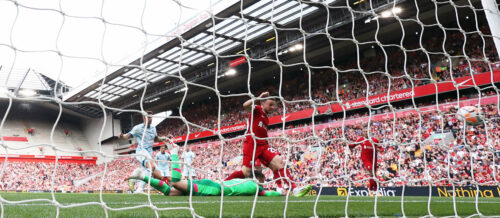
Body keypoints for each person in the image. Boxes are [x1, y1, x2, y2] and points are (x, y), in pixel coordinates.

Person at [127, 144, 312, 197]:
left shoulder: (246, 182)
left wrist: (278, 191)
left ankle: (142, 176)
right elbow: (268, 193)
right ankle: (175, 153)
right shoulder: (255, 187)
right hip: (212, 189)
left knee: (170, 192)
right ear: (260, 180)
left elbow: (268, 192)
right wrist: (280, 191)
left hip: (214, 185)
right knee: (175, 183)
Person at [225, 91, 300, 192]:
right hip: (251, 143)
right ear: (263, 103)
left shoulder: (267, 119)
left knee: (279, 162)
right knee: (246, 172)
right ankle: (224, 184)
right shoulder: (257, 109)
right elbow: (245, 105)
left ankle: (292, 188)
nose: (273, 107)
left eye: (274, 105)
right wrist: (259, 97)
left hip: (263, 145)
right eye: (270, 104)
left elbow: (263, 134)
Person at [119, 111, 167, 194]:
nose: (150, 119)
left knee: (159, 175)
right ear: (144, 118)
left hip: (149, 153)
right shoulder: (138, 128)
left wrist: (163, 139)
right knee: (151, 167)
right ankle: (140, 189)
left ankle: (133, 180)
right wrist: (122, 136)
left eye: (151, 117)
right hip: (141, 152)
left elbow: (155, 138)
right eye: (148, 117)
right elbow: (128, 136)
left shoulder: (153, 128)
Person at [349, 130, 383, 196]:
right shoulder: (361, 139)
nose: (365, 133)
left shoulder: (374, 140)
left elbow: (381, 148)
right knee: (372, 173)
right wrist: (347, 143)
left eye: (366, 132)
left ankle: (370, 189)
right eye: (363, 132)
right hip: (366, 159)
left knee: (374, 175)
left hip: (374, 159)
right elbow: (353, 145)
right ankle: (376, 191)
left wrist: (380, 150)